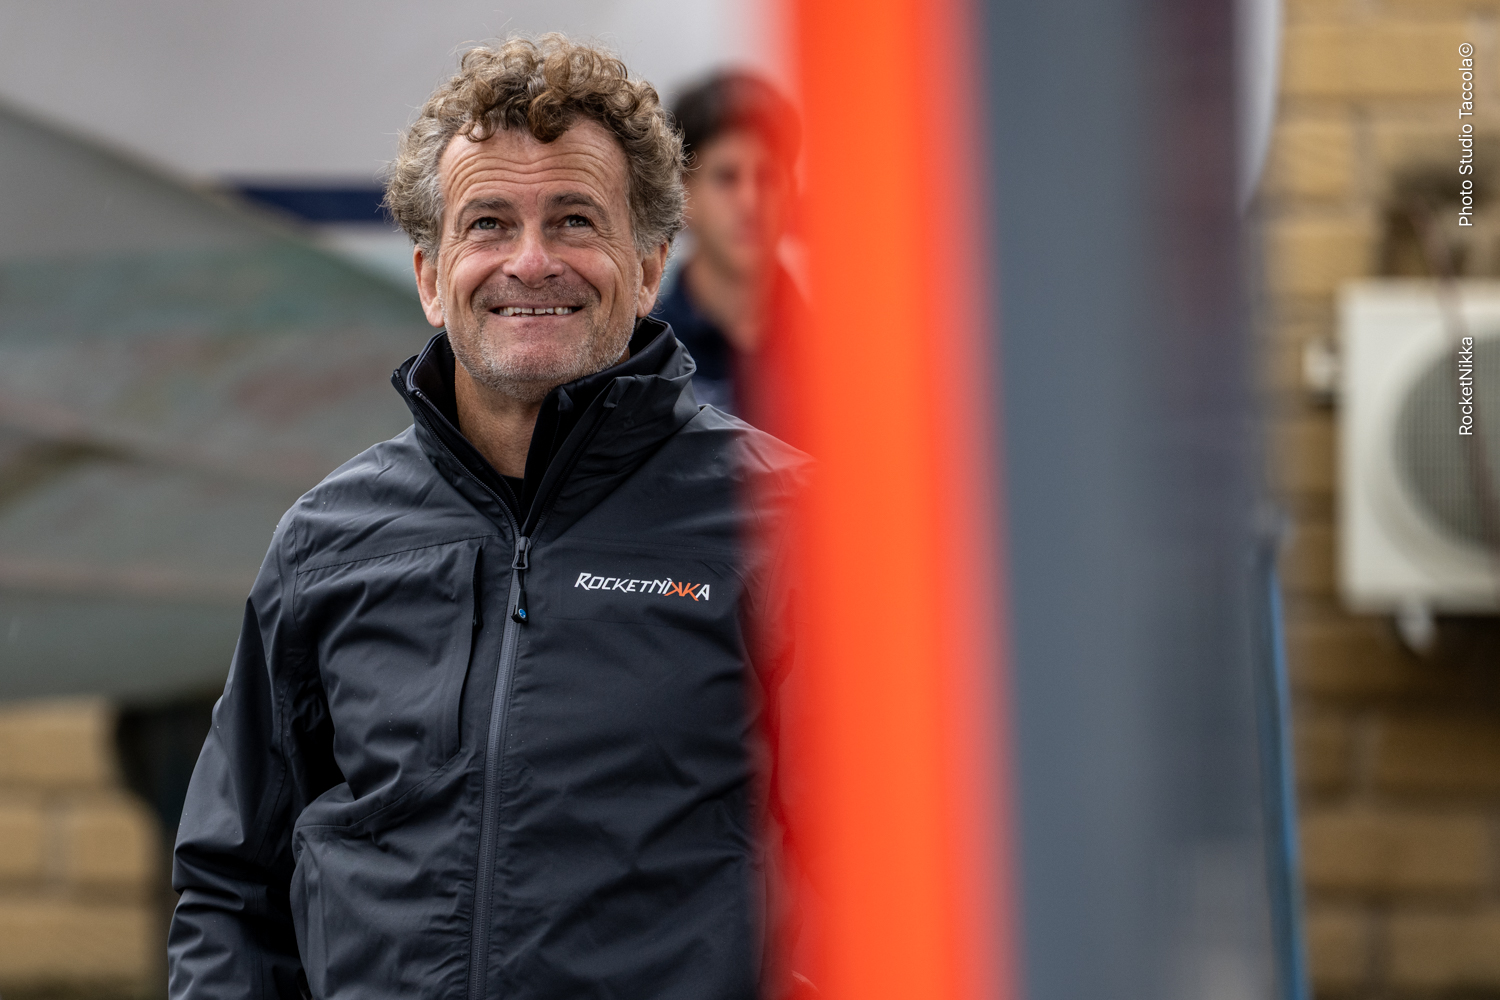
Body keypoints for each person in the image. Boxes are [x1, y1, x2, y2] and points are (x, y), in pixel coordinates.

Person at [168, 35, 807, 1000]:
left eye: (575, 219)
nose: (531, 261)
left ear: (647, 267)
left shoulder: (785, 527)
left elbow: (889, 880)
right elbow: (230, 890)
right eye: (489, 223)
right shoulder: (325, 545)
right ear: (431, 277)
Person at [652, 71, 804, 443]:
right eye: (726, 177)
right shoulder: (646, 358)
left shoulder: (839, 353)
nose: (750, 202)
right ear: (684, 196)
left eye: (767, 177)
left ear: (791, 191)